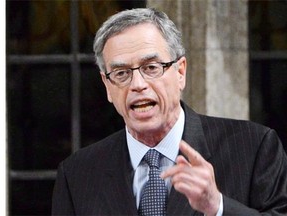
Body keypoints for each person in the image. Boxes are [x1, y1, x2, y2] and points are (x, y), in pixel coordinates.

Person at [52, 8, 287, 215]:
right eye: (121, 73)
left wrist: (218, 207)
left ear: (180, 72)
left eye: (151, 68)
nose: (137, 84)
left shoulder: (254, 147)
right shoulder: (77, 174)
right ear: (107, 86)